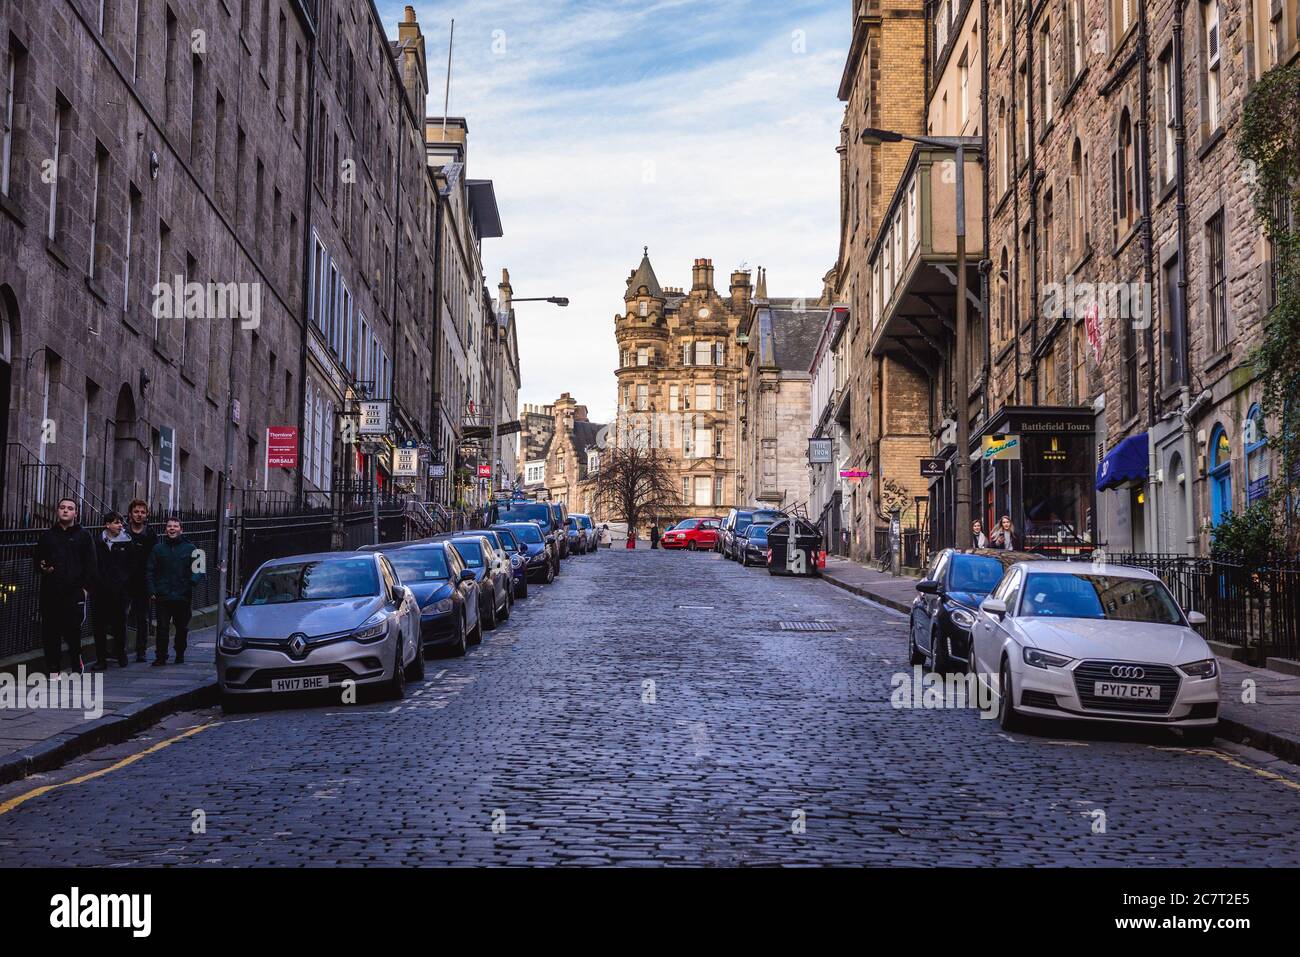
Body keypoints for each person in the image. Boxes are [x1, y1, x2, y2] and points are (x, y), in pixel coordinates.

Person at [34, 498, 97, 674]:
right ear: (57, 511)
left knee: (73, 632)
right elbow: (38, 560)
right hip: (51, 592)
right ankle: (53, 668)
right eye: (62, 507)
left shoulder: (83, 536)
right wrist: (43, 568)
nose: (65, 511)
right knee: (50, 633)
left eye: (70, 508)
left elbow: (91, 564)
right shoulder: (47, 535)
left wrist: (85, 590)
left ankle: (76, 663)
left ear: (76, 513)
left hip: (74, 592)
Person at [146, 518, 203, 666]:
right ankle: (161, 656)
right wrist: (152, 589)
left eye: (175, 526)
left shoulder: (191, 548)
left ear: (181, 530)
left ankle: (179, 653)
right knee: (162, 628)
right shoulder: (158, 549)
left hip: (182, 595)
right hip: (163, 594)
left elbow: (199, 569)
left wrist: (192, 582)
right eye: (169, 526)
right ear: (166, 530)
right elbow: (150, 570)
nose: (172, 529)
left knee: (182, 628)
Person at [92, 511, 134, 669]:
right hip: (100, 591)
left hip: (120, 591)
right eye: (116, 522)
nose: (120, 525)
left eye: (121, 522)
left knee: (119, 624)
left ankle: (121, 654)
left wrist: (125, 583)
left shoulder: (126, 542)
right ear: (107, 524)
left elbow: (131, 565)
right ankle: (101, 659)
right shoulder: (97, 542)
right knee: (99, 626)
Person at [124, 499, 156, 663]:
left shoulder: (150, 535)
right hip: (125, 581)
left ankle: (141, 650)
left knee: (142, 618)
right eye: (136, 512)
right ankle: (121, 650)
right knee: (122, 615)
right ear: (130, 514)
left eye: (142, 512)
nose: (139, 515)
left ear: (147, 515)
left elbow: (154, 559)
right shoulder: (123, 533)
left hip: (143, 582)